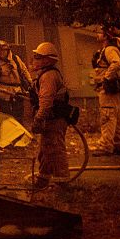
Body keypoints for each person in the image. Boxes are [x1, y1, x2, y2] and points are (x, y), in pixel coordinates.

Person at [29, 42, 70, 188]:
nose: (34, 60)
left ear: (47, 60)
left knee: (56, 150)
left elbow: (46, 103)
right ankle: (43, 179)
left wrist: (38, 119)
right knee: (46, 150)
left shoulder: (48, 76)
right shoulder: (44, 75)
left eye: (38, 57)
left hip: (54, 119)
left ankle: (63, 184)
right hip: (51, 118)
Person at [91, 27, 120, 156]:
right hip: (112, 89)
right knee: (116, 115)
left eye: (99, 32)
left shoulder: (109, 49)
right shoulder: (109, 49)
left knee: (107, 115)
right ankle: (118, 145)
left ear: (106, 36)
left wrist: (106, 77)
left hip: (107, 89)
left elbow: (117, 63)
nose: (97, 34)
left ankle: (105, 146)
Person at [0, 40, 32, 122]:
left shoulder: (16, 59)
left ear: (8, 50)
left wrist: (30, 83)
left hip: (17, 93)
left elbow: (24, 71)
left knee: (19, 118)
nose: (1, 52)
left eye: (4, 50)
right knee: (6, 119)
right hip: (3, 95)